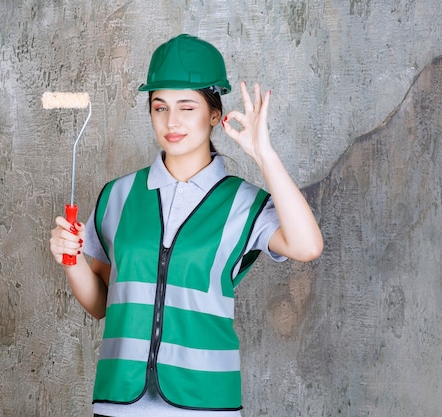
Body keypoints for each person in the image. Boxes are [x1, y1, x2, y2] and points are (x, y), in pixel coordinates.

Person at [49, 33, 323, 417]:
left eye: (187, 107)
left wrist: (265, 155)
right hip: (118, 402)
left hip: (205, 403)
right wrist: (71, 260)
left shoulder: (243, 203)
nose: (172, 121)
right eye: (160, 107)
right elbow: (100, 304)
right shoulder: (118, 196)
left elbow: (307, 246)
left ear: (214, 114)